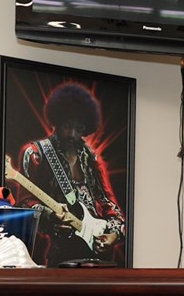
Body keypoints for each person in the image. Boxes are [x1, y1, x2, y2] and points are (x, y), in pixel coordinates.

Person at [10, 80, 128, 266]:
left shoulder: (91, 159)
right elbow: (25, 204)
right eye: (67, 126)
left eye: (79, 129)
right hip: (61, 256)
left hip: (97, 257)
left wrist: (114, 234)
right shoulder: (36, 154)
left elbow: (108, 203)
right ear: (57, 122)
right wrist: (50, 216)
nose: (72, 134)